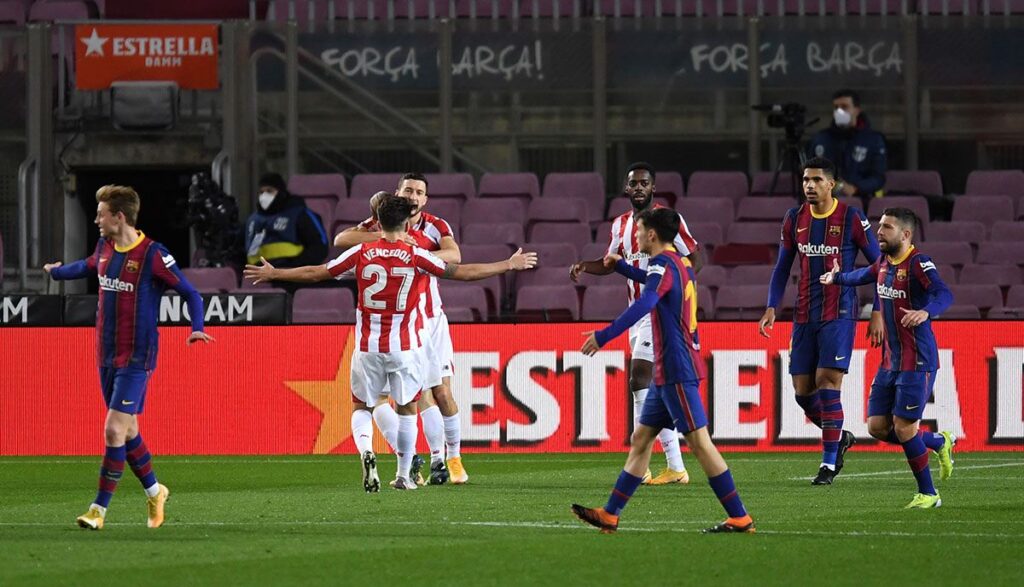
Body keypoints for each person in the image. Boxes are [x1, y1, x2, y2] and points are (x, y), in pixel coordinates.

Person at [245, 195, 537, 491]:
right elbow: (463, 273)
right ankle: (402, 476)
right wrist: (507, 265)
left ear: (378, 223)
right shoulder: (416, 255)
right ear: (407, 223)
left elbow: (317, 273)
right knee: (409, 407)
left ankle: (366, 452)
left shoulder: (360, 252)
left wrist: (275, 273)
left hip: (367, 348)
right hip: (403, 348)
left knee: (361, 407)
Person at [571, 208, 754, 534]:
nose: (636, 236)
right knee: (641, 439)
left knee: (699, 443)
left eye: (640, 231)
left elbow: (646, 301)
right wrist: (623, 267)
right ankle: (611, 513)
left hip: (676, 368)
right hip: (666, 370)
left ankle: (739, 516)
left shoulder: (662, 264)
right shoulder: (680, 264)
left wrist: (604, 335)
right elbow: (655, 285)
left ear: (652, 234)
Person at [44, 185, 214, 530]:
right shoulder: (105, 247)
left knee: (112, 429)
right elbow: (89, 265)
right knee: (128, 429)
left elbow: (190, 293)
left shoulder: (153, 254)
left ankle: (98, 510)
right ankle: (155, 491)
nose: (96, 220)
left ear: (118, 217)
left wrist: (196, 326)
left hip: (138, 356)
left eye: (101, 214)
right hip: (105, 353)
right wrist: (57, 272)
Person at [569, 162, 700, 486]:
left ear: (653, 188)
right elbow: (612, 263)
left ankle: (646, 465)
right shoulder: (620, 226)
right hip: (637, 313)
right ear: (627, 190)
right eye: (634, 184)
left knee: (640, 376)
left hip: (658, 309)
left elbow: (694, 258)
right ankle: (674, 466)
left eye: (644, 183)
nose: (639, 187)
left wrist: (680, 290)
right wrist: (586, 266)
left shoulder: (669, 221)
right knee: (657, 386)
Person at [758, 157, 883, 485]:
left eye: (816, 180)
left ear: (832, 184)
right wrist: (772, 306)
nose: (809, 186)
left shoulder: (852, 217)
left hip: (839, 313)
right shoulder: (794, 218)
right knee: (803, 391)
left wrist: (879, 311)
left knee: (828, 382)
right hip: (803, 315)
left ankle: (828, 464)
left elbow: (882, 266)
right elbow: (782, 268)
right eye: (805, 180)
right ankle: (839, 437)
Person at [335, 174, 467, 486]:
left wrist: (415, 249)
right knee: (409, 398)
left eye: (419, 192)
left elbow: (455, 256)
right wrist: (390, 239)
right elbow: (342, 239)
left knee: (440, 392)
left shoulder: (435, 226)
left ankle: (449, 459)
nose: (413, 195)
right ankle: (420, 460)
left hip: (430, 320)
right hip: (402, 326)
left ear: (425, 199)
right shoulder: (379, 222)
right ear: (398, 193)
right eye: (408, 189)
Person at [820, 207, 956, 508]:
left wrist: (926, 312)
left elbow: (944, 293)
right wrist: (837, 277)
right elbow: (862, 275)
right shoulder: (883, 262)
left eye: (887, 228)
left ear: (906, 234)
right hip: (890, 361)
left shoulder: (919, 263)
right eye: (880, 226)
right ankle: (938, 441)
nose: (879, 232)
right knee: (878, 427)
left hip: (917, 360)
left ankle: (929, 494)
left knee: (905, 427)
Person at [243, 172, 329, 292]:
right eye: (261, 192)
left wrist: (292, 269)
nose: (264, 196)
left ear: (281, 192)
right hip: (258, 280)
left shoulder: (300, 215)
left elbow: (320, 247)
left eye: (269, 191)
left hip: (292, 280)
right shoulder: (253, 220)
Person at [808, 89, 887, 208]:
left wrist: (856, 188)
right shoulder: (821, 139)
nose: (839, 111)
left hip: (862, 202)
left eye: (844, 107)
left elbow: (878, 177)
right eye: (836, 107)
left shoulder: (873, 140)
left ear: (857, 110)